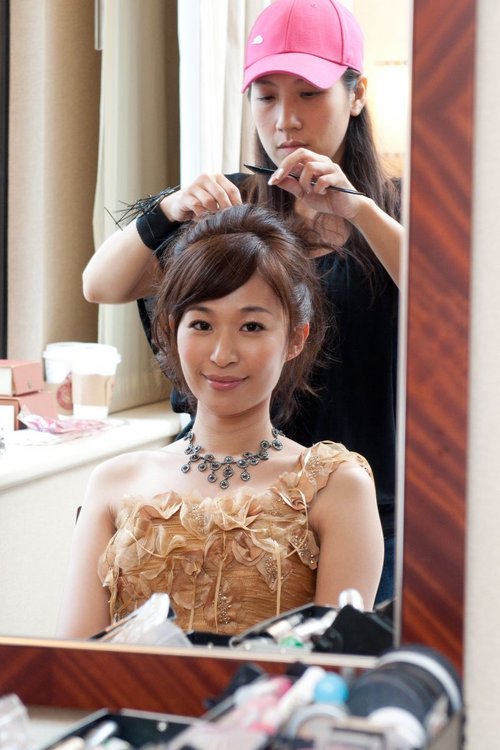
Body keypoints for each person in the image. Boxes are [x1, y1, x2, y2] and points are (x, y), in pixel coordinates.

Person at [82, 0, 402, 603]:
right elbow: (100, 285)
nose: (285, 120)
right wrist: (168, 208)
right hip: (223, 500)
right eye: (266, 96)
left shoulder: (395, 212)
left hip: (361, 509)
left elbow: (460, 302)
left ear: (357, 94)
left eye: (309, 93)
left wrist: (359, 211)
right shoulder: (228, 205)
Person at [57, 204, 384, 640]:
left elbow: (333, 665)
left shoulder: (335, 487)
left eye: (251, 326)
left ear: (295, 338)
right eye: (201, 324)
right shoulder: (113, 481)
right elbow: (76, 659)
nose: (222, 354)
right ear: (171, 331)